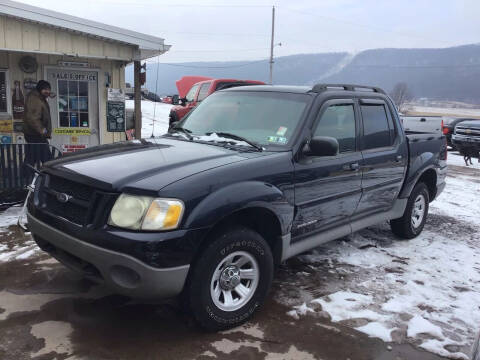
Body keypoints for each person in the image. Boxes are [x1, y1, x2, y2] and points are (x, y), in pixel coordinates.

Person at [22, 80, 53, 176]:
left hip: (34, 134)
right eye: (45, 90)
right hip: (35, 134)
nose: (47, 92)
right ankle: (52, 177)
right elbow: (33, 118)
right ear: (40, 89)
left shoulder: (39, 96)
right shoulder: (34, 99)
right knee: (47, 158)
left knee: (32, 157)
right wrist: (43, 131)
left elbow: (46, 93)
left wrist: (49, 94)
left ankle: (25, 178)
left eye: (49, 89)